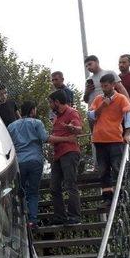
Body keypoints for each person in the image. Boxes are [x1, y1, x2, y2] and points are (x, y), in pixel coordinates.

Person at [7, 100, 77, 228]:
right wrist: (67, 139)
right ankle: (32, 220)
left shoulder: (11, 126)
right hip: (35, 161)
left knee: (19, 191)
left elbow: (8, 144)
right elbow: (46, 138)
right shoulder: (37, 123)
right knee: (33, 192)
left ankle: (18, 219)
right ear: (33, 110)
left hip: (19, 162)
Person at [88, 73, 130, 209]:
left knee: (116, 168)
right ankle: (107, 199)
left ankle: (120, 197)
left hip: (115, 139)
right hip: (99, 139)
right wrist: (103, 105)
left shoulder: (121, 99)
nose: (104, 88)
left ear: (113, 85)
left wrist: (127, 134)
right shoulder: (98, 99)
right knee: (103, 171)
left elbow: (129, 118)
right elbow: (91, 115)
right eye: (102, 86)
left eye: (106, 86)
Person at [48, 90, 83, 225]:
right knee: (54, 187)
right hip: (58, 155)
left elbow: (78, 128)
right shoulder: (57, 117)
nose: (50, 105)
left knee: (70, 183)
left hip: (69, 152)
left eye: (51, 102)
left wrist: (72, 128)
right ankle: (60, 217)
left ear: (57, 102)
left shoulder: (71, 112)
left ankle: (75, 217)